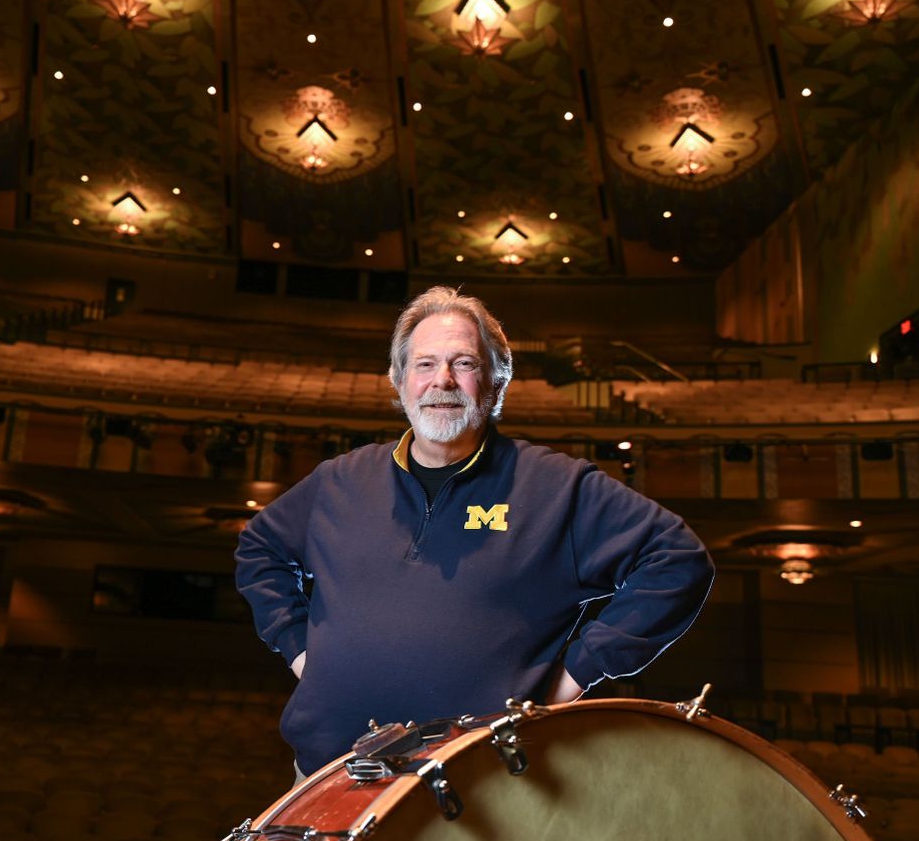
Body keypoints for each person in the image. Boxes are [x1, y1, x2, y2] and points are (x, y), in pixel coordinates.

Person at [235, 286, 714, 778]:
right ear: (398, 381)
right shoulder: (339, 480)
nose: (442, 379)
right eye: (424, 365)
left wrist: (574, 676)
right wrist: (299, 651)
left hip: (477, 785)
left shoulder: (558, 487)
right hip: (326, 773)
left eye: (464, 363)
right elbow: (259, 549)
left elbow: (678, 560)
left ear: (497, 382)